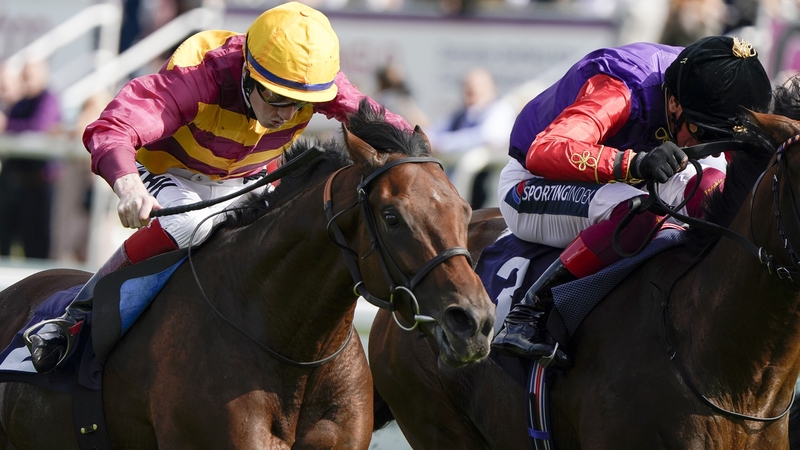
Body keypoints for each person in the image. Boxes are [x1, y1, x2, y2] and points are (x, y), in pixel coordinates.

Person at [24, 1, 411, 373]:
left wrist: (419, 156)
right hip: (170, 171)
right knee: (189, 225)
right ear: (248, 72)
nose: (286, 115)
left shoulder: (313, 80)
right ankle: (76, 316)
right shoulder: (200, 76)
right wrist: (128, 187)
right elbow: (113, 127)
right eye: (276, 97)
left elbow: (384, 122)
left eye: (300, 103)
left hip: (248, 175)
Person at [490, 35, 772, 367]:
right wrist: (633, 163)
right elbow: (544, 151)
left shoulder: (713, 83)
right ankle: (530, 311)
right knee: (639, 213)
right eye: (702, 134)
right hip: (534, 182)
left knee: (712, 190)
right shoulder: (622, 89)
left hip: (623, 180)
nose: (710, 146)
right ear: (674, 105)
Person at [0, 58, 62, 260]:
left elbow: (38, 126)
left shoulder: (48, 99)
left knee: (36, 245)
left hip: (39, 184)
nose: (27, 81)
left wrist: (8, 124)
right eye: (24, 76)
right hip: (16, 184)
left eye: (30, 76)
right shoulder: (20, 103)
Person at [427, 67, 515, 207]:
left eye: (476, 87)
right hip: (452, 172)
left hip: (483, 183)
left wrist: (443, 144)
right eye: (467, 87)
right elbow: (434, 132)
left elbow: (486, 137)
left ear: (491, 88)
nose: (470, 91)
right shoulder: (460, 113)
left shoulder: (501, 109)